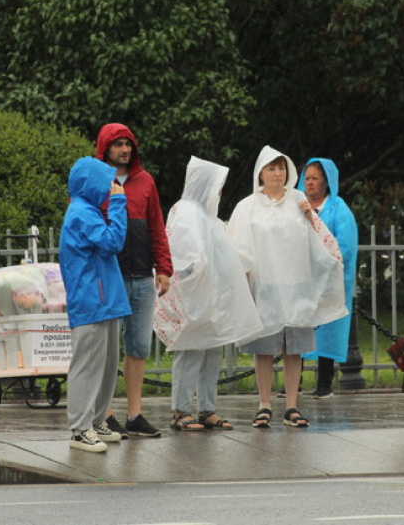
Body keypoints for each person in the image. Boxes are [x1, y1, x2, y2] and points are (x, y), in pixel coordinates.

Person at [227, 146, 346, 429]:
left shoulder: (298, 200)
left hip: (296, 284)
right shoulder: (248, 206)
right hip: (265, 285)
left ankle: (292, 404)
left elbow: (319, 239)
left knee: (294, 347)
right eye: (271, 168)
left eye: (281, 168)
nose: (277, 174)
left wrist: (308, 216)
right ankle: (264, 403)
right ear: (261, 173)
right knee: (265, 347)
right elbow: (237, 245)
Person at [155, 157, 266, 431]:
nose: (219, 192)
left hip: (211, 298)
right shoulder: (186, 211)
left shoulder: (208, 217)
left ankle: (207, 408)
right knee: (190, 352)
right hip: (194, 297)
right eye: (217, 185)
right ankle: (181, 410)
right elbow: (186, 254)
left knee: (211, 351)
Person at [97, 123, 173, 439]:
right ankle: (106, 413)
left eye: (128, 144)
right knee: (108, 349)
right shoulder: (97, 180)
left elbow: (156, 226)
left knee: (139, 347)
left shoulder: (145, 182)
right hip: (111, 276)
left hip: (142, 277)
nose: (124, 150)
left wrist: (164, 267)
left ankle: (134, 413)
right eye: (118, 145)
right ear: (105, 148)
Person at [60, 157, 131, 452]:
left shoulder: (87, 210)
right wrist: (118, 205)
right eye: (107, 181)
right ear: (92, 183)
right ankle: (80, 429)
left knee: (105, 366)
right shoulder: (81, 212)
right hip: (92, 301)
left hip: (104, 299)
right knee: (88, 366)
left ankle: (97, 419)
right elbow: (113, 242)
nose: (112, 187)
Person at [298, 158, 359, 399]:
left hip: (329, 282)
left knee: (328, 329)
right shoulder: (297, 204)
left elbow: (344, 246)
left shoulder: (339, 209)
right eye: (307, 178)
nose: (310, 183)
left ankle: (325, 382)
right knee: (298, 328)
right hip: (301, 280)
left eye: (315, 178)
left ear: (326, 182)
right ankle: (295, 381)